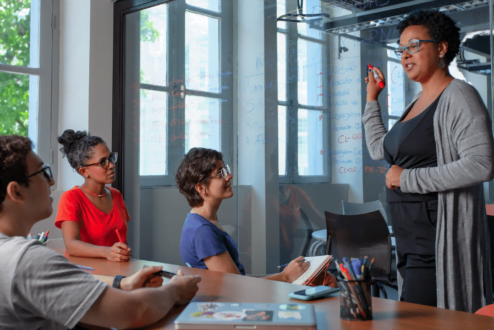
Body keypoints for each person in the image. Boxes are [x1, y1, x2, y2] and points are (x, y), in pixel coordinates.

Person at [363, 9, 494, 312]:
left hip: (438, 243)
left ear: (442, 47)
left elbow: (482, 163)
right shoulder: (414, 103)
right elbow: (378, 150)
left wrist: (406, 179)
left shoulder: (459, 95)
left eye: (414, 46)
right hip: (409, 243)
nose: (405, 55)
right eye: (401, 48)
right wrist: (372, 100)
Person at [0, 135, 201, 329]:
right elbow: (134, 311)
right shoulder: (26, 260)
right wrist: (174, 290)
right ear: (16, 191)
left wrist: (122, 283)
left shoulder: (12, 255)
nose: (51, 182)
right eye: (43, 173)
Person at [176, 147, 336, 286]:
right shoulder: (203, 232)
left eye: (226, 170)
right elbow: (235, 286)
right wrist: (286, 276)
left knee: (324, 278)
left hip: (237, 291)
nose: (229, 176)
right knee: (327, 281)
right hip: (233, 303)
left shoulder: (200, 222)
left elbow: (237, 278)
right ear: (201, 188)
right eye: (220, 173)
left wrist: (286, 274)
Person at [56, 129, 131, 261]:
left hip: (119, 269)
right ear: (84, 171)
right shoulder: (71, 198)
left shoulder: (116, 195)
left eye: (111, 158)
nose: (112, 165)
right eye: (103, 162)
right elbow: (71, 246)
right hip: (89, 273)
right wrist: (107, 252)